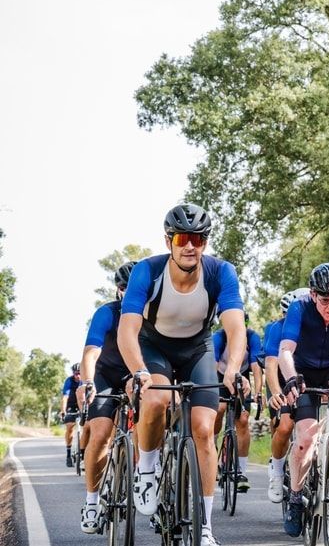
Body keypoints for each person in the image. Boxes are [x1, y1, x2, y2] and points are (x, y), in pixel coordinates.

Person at [118, 203, 246, 546]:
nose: (191, 245)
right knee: (157, 399)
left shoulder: (221, 273)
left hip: (198, 350)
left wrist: (232, 368)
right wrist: (140, 372)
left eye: (199, 239)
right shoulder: (147, 271)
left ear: (205, 242)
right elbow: (127, 331)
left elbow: (235, 329)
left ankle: (204, 525)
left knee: (204, 429)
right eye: (183, 238)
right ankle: (147, 469)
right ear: (169, 241)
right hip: (155, 347)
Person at [278, 263, 329, 538]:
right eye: (325, 300)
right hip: (304, 370)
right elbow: (286, 349)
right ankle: (296, 497)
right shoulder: (299, 308)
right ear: (313, 295)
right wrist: (291, 379)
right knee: (305, 441)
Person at [77, 261, 137, 533]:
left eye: (133, 287)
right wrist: (87, 381)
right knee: (100, 433)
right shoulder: (107, 313)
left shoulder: (151, 314)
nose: (128, 291)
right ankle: (91, 502)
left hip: (137, 375)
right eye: (124, 287)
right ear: (118, 289)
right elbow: (91, 352)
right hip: (106, 376)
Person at [262, 287, 308, 503]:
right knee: (285, 425)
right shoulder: (277, 329)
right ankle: (277, 470)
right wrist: (276, 393)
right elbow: (270, 366)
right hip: (281, 381)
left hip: (306, 379)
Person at [212, 314, 262, 493]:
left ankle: (241, 470)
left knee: (243, 419)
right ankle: (213, 441)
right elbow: (212, 364)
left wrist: (258, 392)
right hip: (219, 377)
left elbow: (256, 367)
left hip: (241, 378)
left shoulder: (252, 337)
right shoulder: (218, 337)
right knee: (220, 408)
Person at [59, 362, 83, 468]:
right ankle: (68, 454)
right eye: (75, 373)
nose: (77, 376)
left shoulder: (85, 381)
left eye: (79, 373)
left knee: (87, 428)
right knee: (69, 427)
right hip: (71, 405)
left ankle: (83, 453)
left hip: (83, 405)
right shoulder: (69, 381)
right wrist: (63, 410)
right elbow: (65, 397)